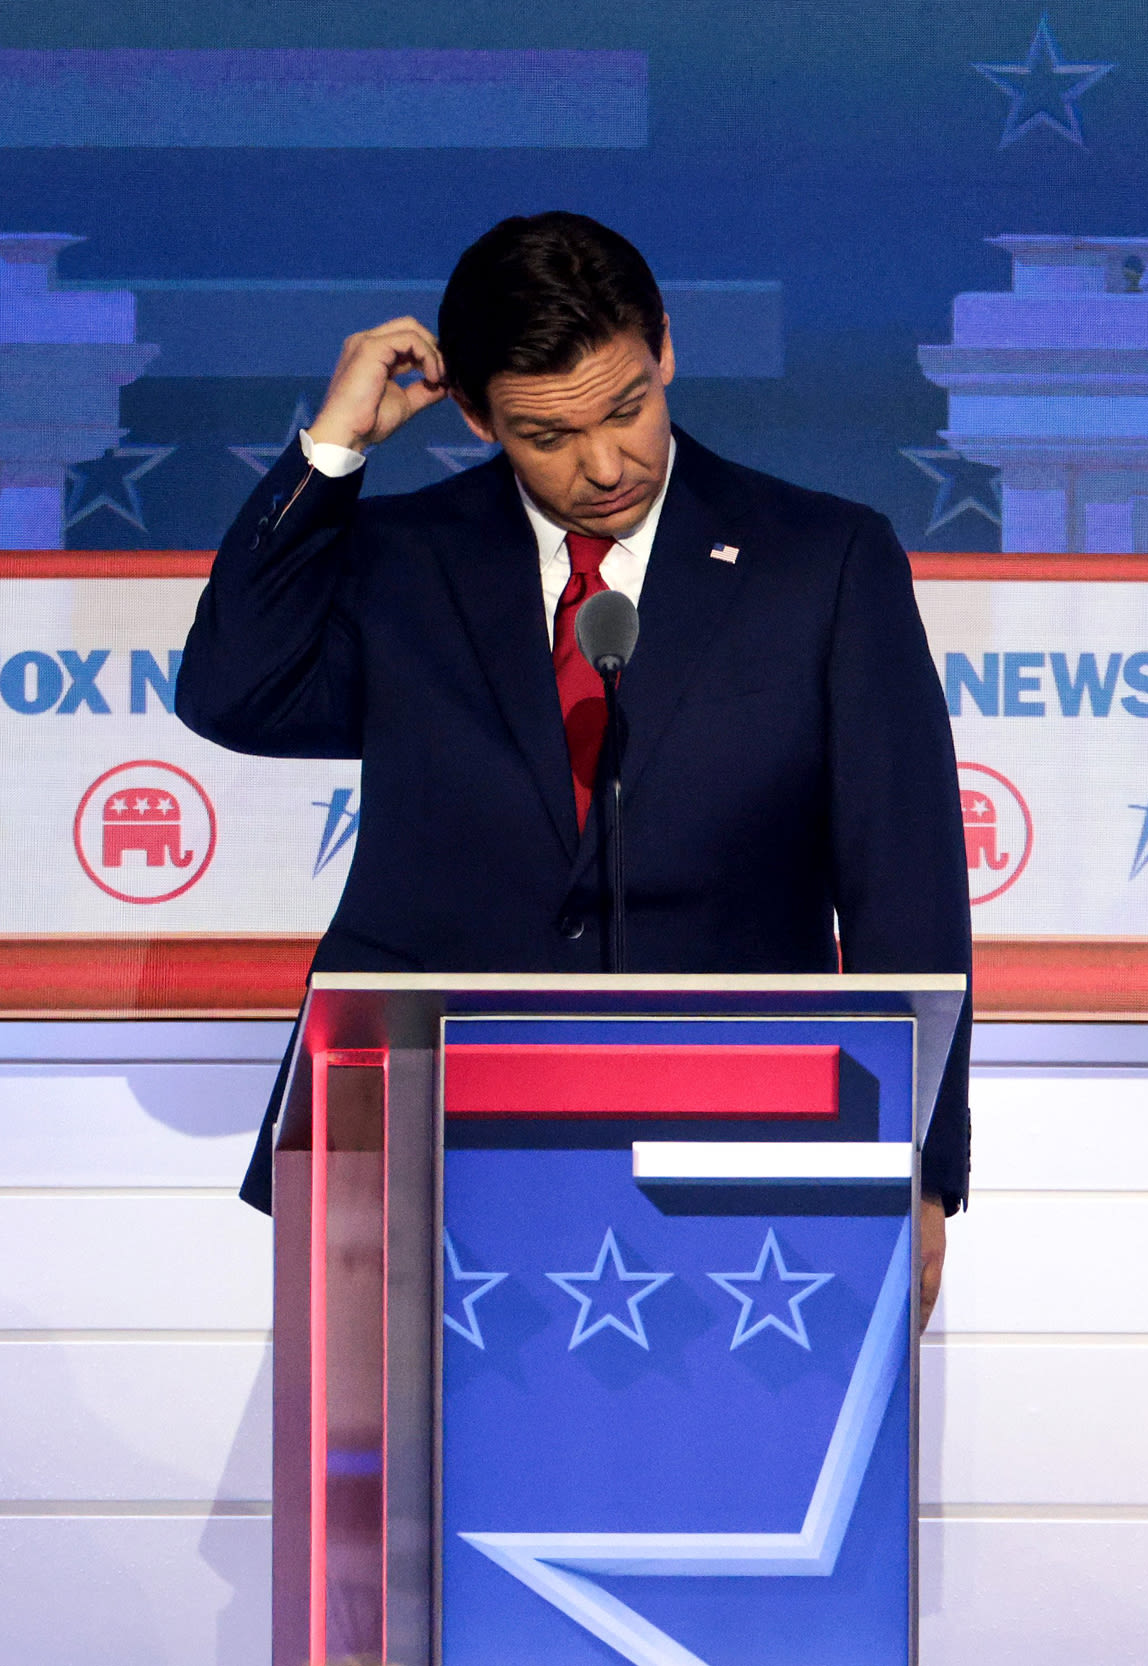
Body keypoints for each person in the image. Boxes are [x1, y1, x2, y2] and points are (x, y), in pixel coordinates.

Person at [177, 211, 969, 1322]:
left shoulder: (822, 562)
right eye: (546, 435)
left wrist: (922, 1163)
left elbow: (905, 881)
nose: (603, 465)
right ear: (473, 416)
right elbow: (231, 692)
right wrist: (334, 445)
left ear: (666, 350)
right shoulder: (409, 559)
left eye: (628, 407)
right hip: (430, 1136)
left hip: (741, 1145)